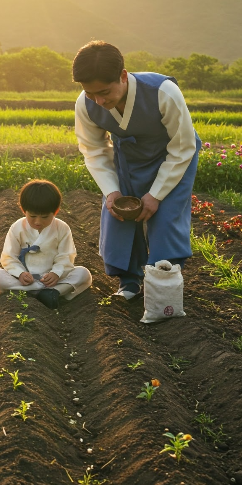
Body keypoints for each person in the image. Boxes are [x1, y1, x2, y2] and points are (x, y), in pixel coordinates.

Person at [72, 41, 200, 299]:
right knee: (120, 213)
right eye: (90, 94)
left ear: (123, 75)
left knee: (165, 220)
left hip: (173, 157)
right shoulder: (86, 105)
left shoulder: (163, 92)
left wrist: (155, 195)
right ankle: (129, 282)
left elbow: (182, 147)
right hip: (128, 159)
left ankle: (163, 286)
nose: (99, 100)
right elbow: (95, 149)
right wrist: (111, 191)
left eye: (105, 92)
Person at [0, 180, 92, 309]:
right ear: (23, 210)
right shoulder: (17, 228)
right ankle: (47, 293)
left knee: (83, 274)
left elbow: (65, 256)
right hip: (26, 279)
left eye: (44, 217)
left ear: (56, 211)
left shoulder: (62, 228)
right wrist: (20, 273)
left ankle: (50, 292)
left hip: (50, 280)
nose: (38, 221)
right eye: (32, 216)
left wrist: (55, 273)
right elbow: (9, 257)